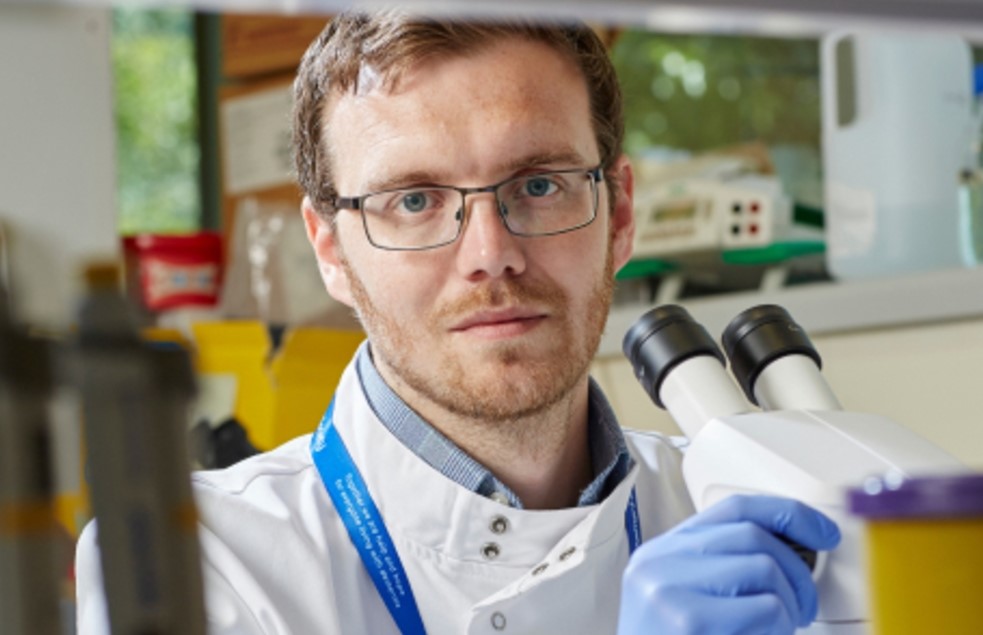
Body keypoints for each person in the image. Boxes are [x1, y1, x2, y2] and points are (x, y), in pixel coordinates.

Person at [76, 9, 840, 634]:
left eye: (539, 183)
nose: (490, 253)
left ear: (620, 214)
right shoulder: (191, 562)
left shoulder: (744, 509)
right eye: (413, 200)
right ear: (330, 250)